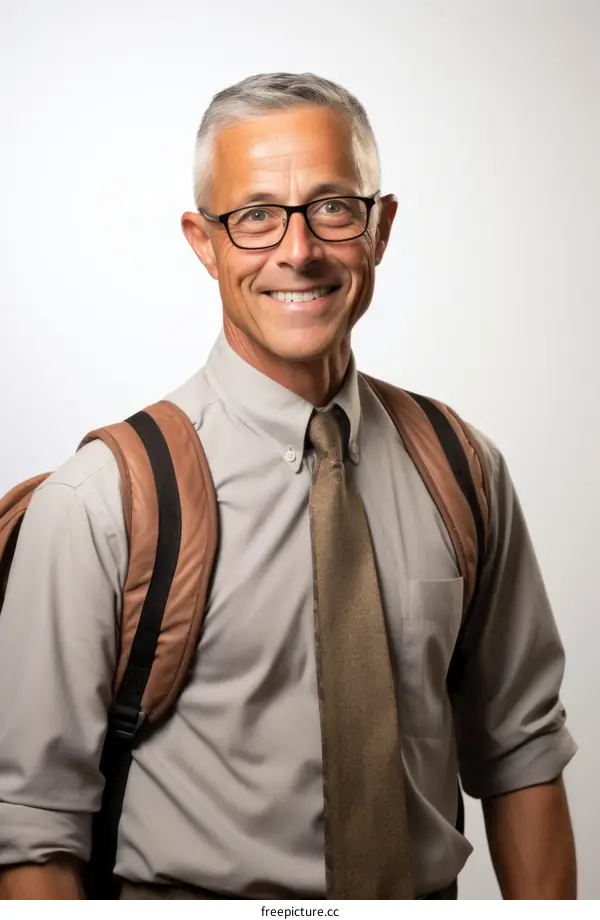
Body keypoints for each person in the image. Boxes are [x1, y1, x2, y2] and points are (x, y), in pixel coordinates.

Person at [0, 72, 577, 900]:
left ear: (380, 227)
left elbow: (522, 752)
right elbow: (33, 824)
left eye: (333, 208)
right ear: (203, 242)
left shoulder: (463, 469)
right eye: (256, 216)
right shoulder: (102, 500)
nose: (298, 250)